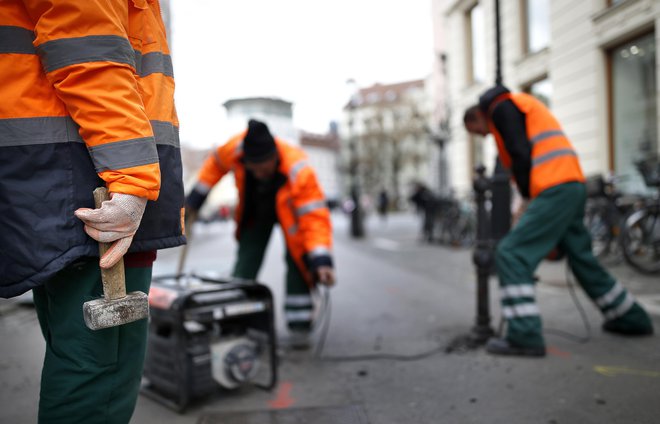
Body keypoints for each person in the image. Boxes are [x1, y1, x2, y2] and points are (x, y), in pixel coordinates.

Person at [0, 1, 185, 422]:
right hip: (95, 176)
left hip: (61, 172)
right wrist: (132, 177)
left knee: (77, 353)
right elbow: (89, 49)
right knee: (99, 373)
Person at [463, 85, 653, 357]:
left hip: (553, 187)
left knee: (511, 252)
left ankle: (524, 335)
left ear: (477, 117)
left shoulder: (500, 107)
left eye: (477, 130)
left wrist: (528, 202)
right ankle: (631, 317)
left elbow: (519, 152)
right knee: (581, 258)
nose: (483, 135)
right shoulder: (518, 105)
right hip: (571, 184)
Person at [185, 119, 335, 348]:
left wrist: (321, 259)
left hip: (289, 212)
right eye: (253, 168)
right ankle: (236, 320)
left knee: (297, 260)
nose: (258, 173)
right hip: (255, 210)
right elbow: (214, 166)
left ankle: (299, 326)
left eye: (263, 167)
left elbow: (314, 218)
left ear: (274, 157)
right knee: (247, 258)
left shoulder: (298, 169)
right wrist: (196, 198)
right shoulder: (234, 149)